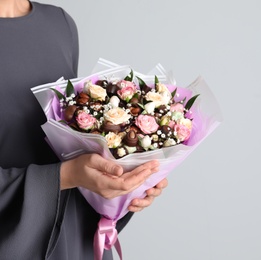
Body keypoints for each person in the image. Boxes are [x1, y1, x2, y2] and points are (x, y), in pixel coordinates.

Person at [0, 1, 168, 259]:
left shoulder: (60, 24)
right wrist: (65, 177)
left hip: (75, 240)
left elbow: (71, 138)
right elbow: (69, 169)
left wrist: (125, 185)